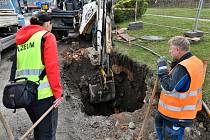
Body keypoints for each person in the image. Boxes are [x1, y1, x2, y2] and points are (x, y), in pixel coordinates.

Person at [10, 12, 63, 140]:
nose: (51, 27)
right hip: (44, 96)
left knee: (38, 129)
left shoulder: (22, 40)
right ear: (46, 24)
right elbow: (52, 67)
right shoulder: (46, 37)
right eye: (51, 24)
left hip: (26, 94)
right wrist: (58, 93)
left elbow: (15, 67)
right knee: (47, 133)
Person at [155, 36, 204, 140]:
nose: (170, 52)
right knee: (158, 121)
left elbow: (169, 87)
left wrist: (162, 70)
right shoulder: (196, 61)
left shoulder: (183, 67)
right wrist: (174, 66)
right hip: (175, 111)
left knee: (171, 136)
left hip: (176, 114)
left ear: (178, 50)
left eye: (171, 49)